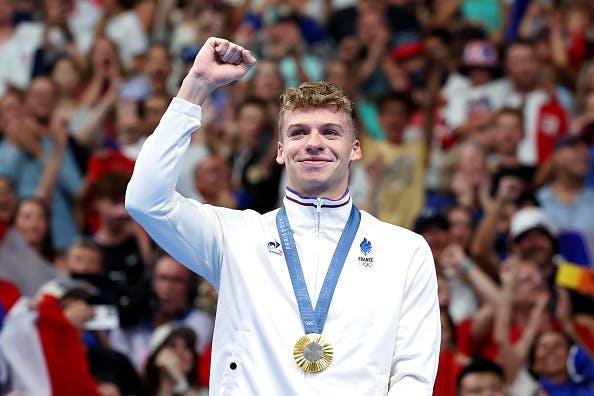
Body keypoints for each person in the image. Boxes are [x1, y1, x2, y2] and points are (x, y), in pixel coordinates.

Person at [126, 37, 440, 394]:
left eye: (331, 132)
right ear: (280, 151)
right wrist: (196, 84)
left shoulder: (405, 250)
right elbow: (145, 200)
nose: (314, 142)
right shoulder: (236, 237)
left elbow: (412, 376)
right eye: (299, 132)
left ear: (355, 149)